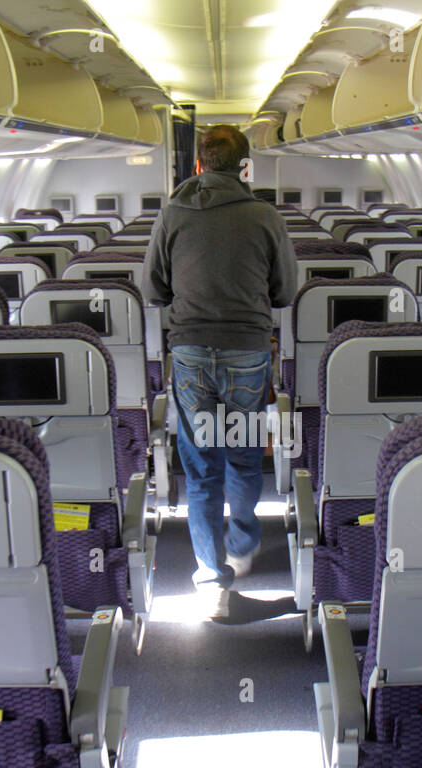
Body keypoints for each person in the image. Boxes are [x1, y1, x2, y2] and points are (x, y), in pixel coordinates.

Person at [142, 125, 298, 619]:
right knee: (245, 457)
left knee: (201, 468)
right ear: (245, 166)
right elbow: (285, 291)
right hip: (247, 353)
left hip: (189, 354)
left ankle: (211, 579)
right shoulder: (264, 216)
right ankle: (242, 546)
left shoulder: (172, 214)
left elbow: (152, 289)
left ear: (199, 165)